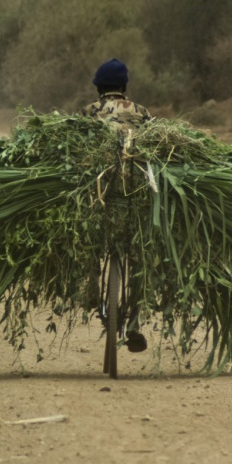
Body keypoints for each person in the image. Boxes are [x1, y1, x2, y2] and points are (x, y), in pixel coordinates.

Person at [82, 58, 152, 354]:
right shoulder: (141, 113)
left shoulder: (88, 112)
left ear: (99, 88)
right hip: (135, 198)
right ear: (124, 87)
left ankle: (90, 293)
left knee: (85, 242)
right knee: (141, 258)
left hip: (98, 198)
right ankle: (135, 322)